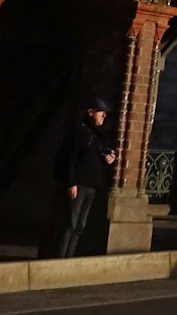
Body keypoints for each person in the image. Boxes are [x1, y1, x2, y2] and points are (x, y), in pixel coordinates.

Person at [54, 97, 119, 258]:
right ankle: (60, 258)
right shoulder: (82, 132)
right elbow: (71, 158)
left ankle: (69, 257)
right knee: (71, 223)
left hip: (92, 185)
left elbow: (93, 159)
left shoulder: (97, 135)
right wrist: (71, 182)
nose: (104, 116)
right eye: (101, 112)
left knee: (80, 225)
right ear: (90, 112)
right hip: (80, 184)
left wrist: (106, 160)